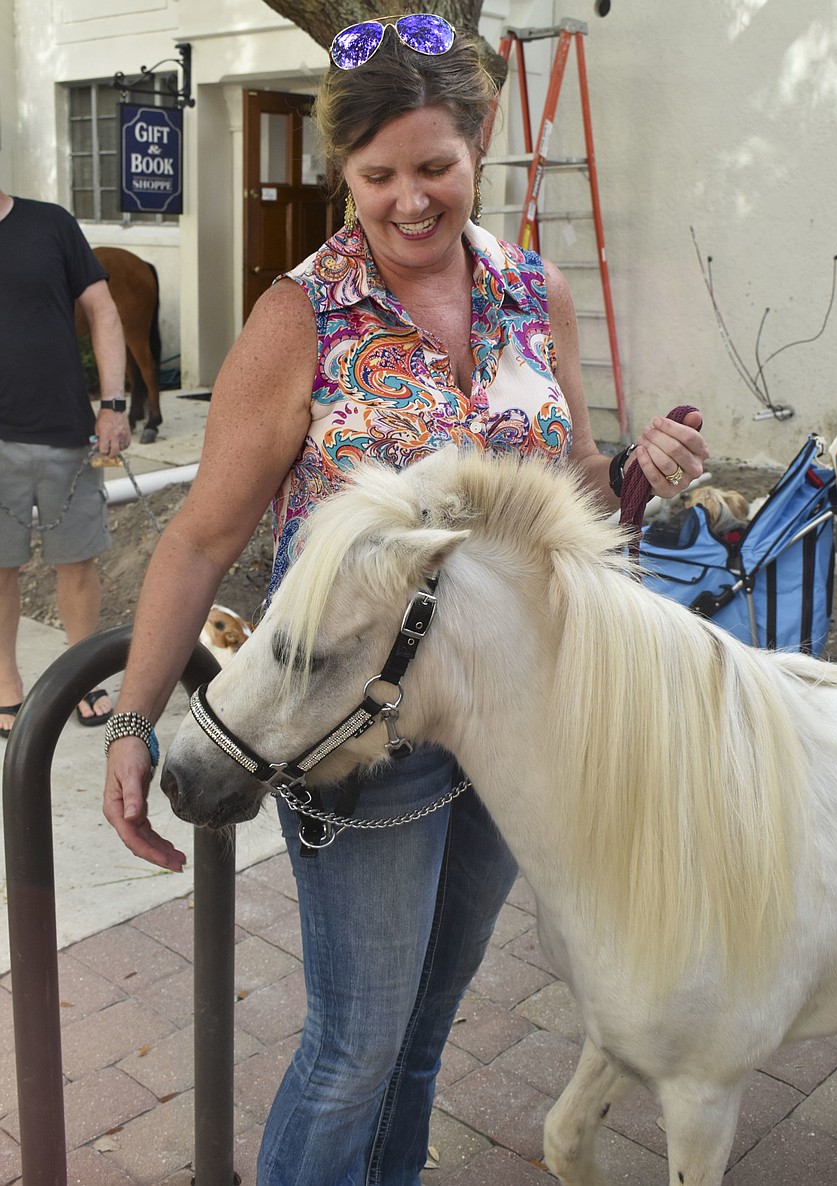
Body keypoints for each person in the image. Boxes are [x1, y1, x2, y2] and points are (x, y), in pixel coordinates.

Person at [102, 15, 709, 1185]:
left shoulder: (535, 289)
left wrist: (636, 472)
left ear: (478, 144)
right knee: (354, 1044)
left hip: (512, 719)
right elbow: (199, 537)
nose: (409, 200)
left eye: (434, 166)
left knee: (426, 1036)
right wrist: (132, 723)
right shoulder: (302, 317)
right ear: (346, 176)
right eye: (377, 176)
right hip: (358, 732)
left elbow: (571, 493)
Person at [0, 189, 131, 736]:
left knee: (77, 562)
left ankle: (80, 676)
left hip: (66, 431)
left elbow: (103, 311)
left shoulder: (50, 224)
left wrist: (114, 404)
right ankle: (5, 685)